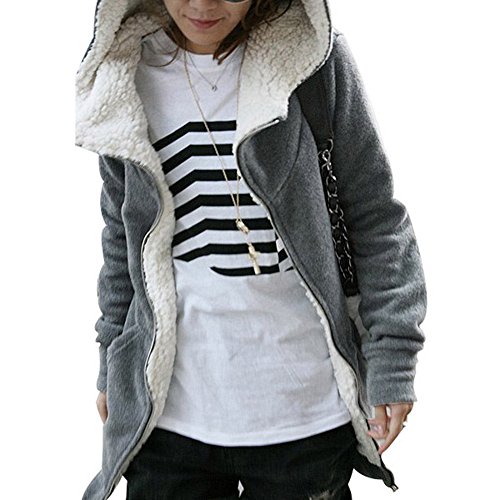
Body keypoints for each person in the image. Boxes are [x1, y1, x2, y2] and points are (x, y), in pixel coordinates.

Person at [75, 0, 427, 498]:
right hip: (168, 418)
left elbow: (376, 218)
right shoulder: (123, 73)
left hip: (304, 417)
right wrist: (113, 360)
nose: (203, 4)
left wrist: (393, 357)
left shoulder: (310, 61)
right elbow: (122, 238)